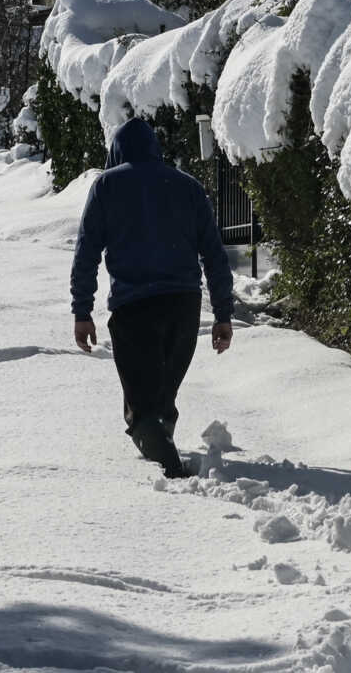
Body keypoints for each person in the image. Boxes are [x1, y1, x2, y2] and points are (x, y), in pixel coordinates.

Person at [70, 116, 234, 477]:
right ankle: (165, 450)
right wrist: (222, 314)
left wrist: (82, 311)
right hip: (183, 308)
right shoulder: (187, 186)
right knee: (162, 397)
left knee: (143, 407)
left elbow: (86, 252)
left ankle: (170, 471)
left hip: (134, 309)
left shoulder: (107, 186)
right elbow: (214, 254)